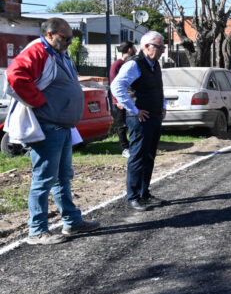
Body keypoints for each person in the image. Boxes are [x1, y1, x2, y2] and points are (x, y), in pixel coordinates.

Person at [6, 18, 101, 245]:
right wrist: (39, 102)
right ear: (50, 34)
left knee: (63, 177)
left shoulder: (59, 53)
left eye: (70, 38)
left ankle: (72, 222)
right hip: (48, 126)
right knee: (44, 179)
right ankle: (37, 230)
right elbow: (14, 76)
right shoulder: (38, 51)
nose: (69, 42)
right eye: (65, 37)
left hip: (62, 126)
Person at [110, 31, 168, 211]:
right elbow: (116, 86)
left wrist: (163, 105)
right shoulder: (134, 64)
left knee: (149, 155)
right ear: (146, 47)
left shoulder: (155, 64)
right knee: (137, 156)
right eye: (158, 47)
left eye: (163, 47)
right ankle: (133, 196)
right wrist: (133, 110)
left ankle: (144, 193)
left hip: (154, 116)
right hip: (140, 118)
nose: (162, 50)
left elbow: (158, 87)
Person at [109, 41, 137, 158]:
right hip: (121, 101)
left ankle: (133, 146)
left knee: (131, 124)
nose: (136, 49)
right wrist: (117, 100)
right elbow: (113, 83)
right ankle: (125, 148)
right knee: (121, 125)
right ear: (129, 49)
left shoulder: (132, 63)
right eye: (134, 47)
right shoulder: (117, 64)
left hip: (130, 99)